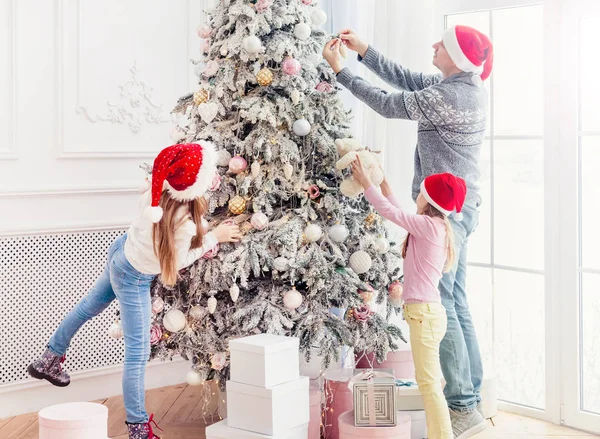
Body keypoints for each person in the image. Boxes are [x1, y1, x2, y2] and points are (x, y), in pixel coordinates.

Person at [324, 25, 493, 439]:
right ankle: (470, 400)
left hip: (445, 214)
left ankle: (463, 407)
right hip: (458, 207)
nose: (433, 45)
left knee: (445, 303)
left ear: (456, 57)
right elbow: (406, 79)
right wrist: (364, 51)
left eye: (442, 44)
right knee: (455, 298)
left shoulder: (450, 97)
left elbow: (388, 103)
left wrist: (340, 71)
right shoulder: (458, 85)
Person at [27, 142, 242, 439]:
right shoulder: (186, 226)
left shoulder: (154, 200)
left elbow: (161, 200)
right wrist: (214, 237)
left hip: (120, 252)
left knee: (87, 307)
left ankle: (48, 359)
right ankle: (138, 428)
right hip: (133, 276)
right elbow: (180, 259)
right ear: (196, 186)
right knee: (137, 354)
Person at [353, 156, 465, 439]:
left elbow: (392, 214)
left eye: (421, 192)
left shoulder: (428, 227)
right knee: (430, 382)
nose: (417, 195)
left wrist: (368, 185)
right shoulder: (433, 225)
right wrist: (385, 186)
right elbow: (401, 213)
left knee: (427, 385)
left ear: (428, 200)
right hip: (427, 314)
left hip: (425, 315)